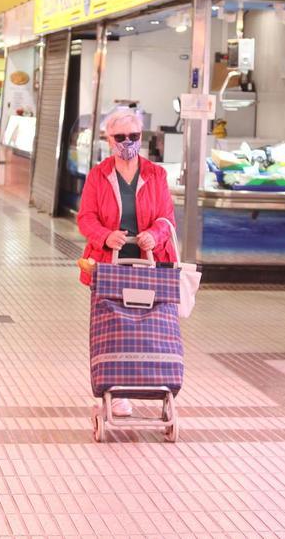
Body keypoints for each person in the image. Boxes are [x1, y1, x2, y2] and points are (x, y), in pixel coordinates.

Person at [76, 108, 177, 418]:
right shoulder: (99, 174)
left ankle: (154, 383)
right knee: (113, 329)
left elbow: (166, 216)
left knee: (151, 328)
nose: (128, 143)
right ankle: (115, 392)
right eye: (120, 137)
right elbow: (86, 218)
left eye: (134, 137)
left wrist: (155, 235)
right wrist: (106, 236)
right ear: (109, 140)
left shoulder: (156, 174)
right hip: (110, 265)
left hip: (150, 263)